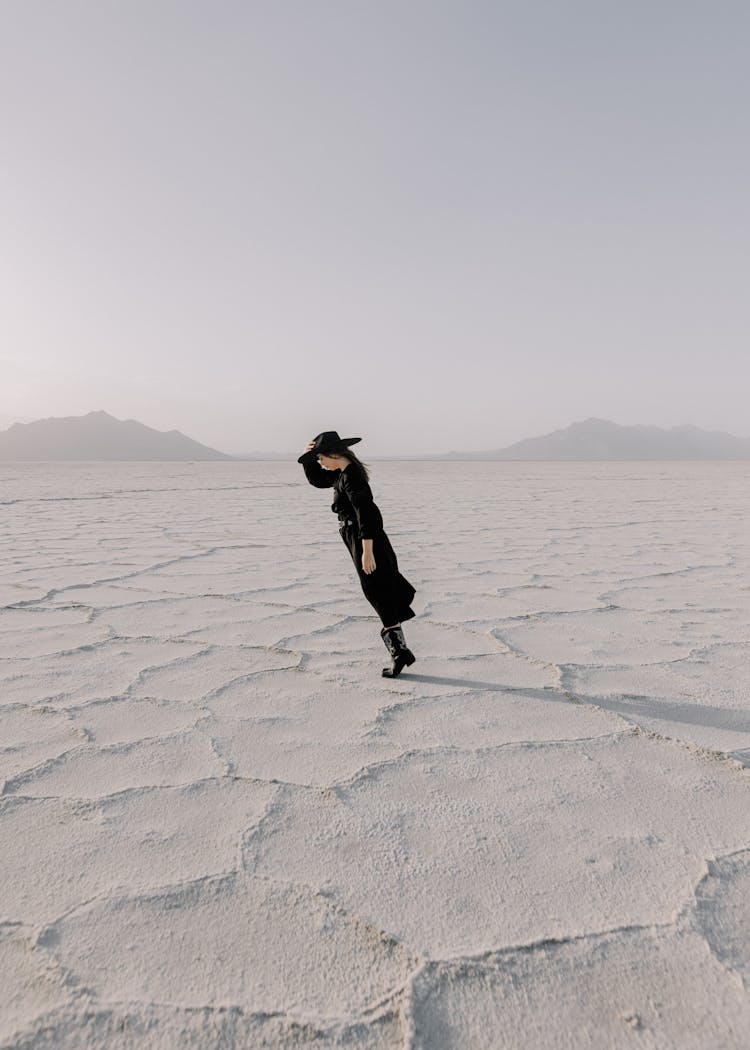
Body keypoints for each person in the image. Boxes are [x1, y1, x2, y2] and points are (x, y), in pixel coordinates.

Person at [298, 431, 417, 677]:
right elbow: (319, 480)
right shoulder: (343, 473)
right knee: (377, 590)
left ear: (333, 454)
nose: (321, 463)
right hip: (360, 539)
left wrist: (367, 551)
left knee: (377, 590)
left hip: (366, 540)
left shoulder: (352, 477)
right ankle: (400, 651)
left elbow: (368, 513)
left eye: (321, 458)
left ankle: (399, 652)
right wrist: (309, 458)